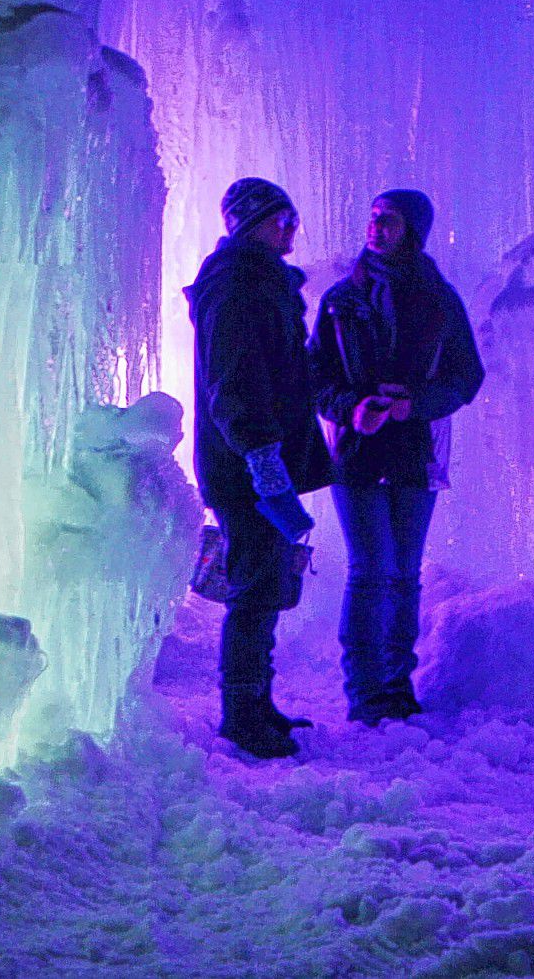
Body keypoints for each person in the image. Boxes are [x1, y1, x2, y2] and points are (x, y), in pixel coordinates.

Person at [311, 188, 485, 725]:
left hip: (415, 453)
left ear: (412, 229)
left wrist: (414, 405)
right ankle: (365, 690)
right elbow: (317, 378)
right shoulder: (341, 300)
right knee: (370, 570)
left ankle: (396, 685)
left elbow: (466, 376)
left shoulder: (439, 300)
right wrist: (351, 408)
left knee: (404, 573)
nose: (376, 228)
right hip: (358, 453)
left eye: (388, 220)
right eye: (372, 218)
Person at [186, 178, 333, 759]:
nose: (289, 229)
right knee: (256, 586)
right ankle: (242, 716)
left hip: (256, 458)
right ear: (250, 225)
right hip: (246, 463)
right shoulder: (239, 285)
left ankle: (255, 704)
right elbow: (234, 381)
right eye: (279, 220)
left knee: (267, 582)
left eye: (291, 218)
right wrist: (262, 456)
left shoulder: (258, 282)